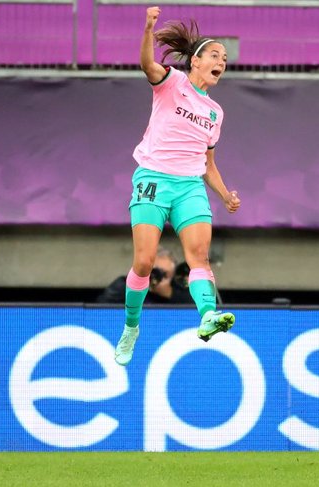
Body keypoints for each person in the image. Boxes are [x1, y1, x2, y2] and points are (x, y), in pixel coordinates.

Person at [114, 6, 240, 366]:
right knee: (144, 261)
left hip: (189, 187)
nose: (222, 62)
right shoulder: (172, 83)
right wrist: (147, 28)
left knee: (199, 256)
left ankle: (207, 317)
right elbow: (146, 64)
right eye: (215, 55)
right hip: (153, 178)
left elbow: (208, 164)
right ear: (195, 62)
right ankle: (131, 327)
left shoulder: (215, 113)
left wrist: (225, 193)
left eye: (225, 58)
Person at [97, 246, 192, 304]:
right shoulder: (126, 285)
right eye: (157, 272)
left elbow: (196, 305)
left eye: (166, 275)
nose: (161, 280)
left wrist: (170, 294)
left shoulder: (176, 287)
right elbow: (100, 307)